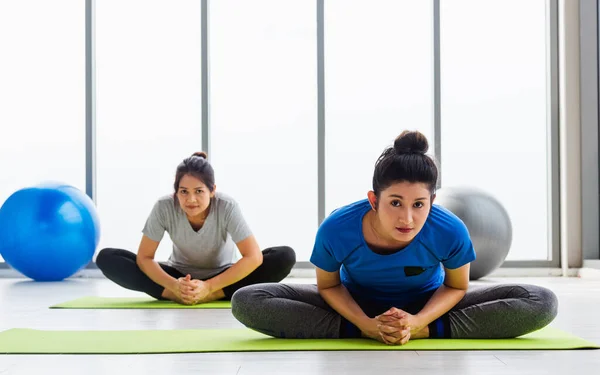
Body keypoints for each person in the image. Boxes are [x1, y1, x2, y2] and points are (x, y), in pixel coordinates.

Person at [231, 131, 558, 344]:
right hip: (354, 304)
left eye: (419, 204)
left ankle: (424, 332)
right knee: (248, 300)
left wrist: (417, 323)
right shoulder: (337, 227)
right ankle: (361, 330)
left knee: (540, 301)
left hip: (428, 306)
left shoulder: (449, 229)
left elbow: (457, 286)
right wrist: (365, 323)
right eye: (395, 203)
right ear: (374, 200)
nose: (408, 218)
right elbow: (329, 285)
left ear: (432, 201)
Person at [96, 152, 296, 305]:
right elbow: (144, 257)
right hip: (177, 276)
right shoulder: (164, 207)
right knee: (108, 257)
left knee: (284, 256)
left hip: (222, 279)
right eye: (183, 192)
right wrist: (174, 285)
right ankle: (179, 294)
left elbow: (253, 257)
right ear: (176, 192)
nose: (191, 199)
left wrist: (208, 287)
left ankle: (209, 296)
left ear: (212, 191)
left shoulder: (227, 206)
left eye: (199, 191)